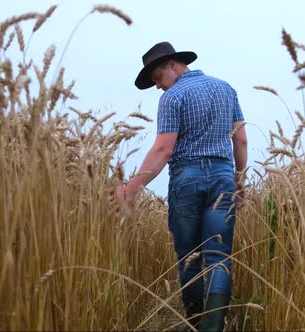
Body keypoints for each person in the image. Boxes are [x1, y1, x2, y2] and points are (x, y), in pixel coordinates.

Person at [109, 41, 247, 331]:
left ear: (173, 66)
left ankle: (196, 323)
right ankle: (213, 327)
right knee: (218, 255)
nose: (158, 87)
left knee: (189, 256)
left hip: (187, 178)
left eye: (157, 79)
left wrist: (130, 189)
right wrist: (240, 178)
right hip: (223, 176)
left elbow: (163, 150)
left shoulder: (173, 98)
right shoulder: (226, 88)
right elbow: (241, 139)